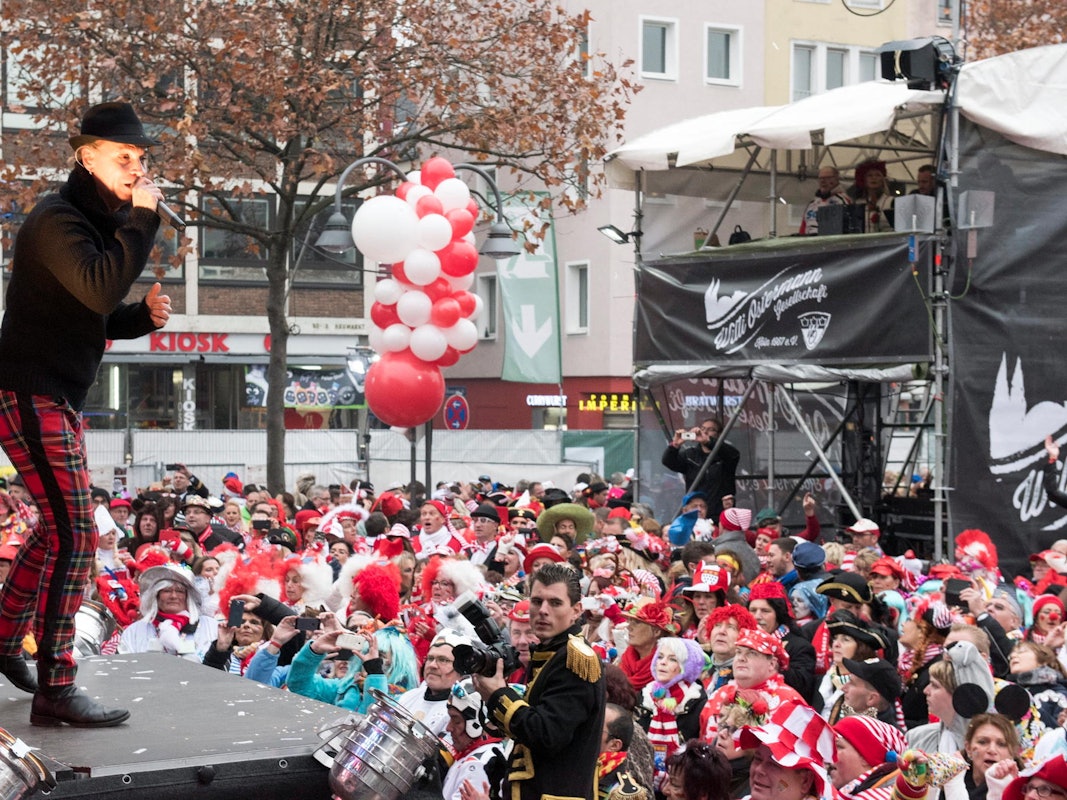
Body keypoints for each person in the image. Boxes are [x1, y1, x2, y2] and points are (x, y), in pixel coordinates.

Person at [0, 101, 172, 728]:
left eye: (140, 158)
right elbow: (100, 286)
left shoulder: (95, 217)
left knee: (56, 529)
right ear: (86, 157)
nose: (136, 167)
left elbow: (90, 313)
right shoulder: (57, 218)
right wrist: (144, 224)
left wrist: (137, 318)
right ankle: (56, 687)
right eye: (123, 156)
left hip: (53, 390)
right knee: (78, 534)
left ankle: (4, 641)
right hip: (29, 389)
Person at [474, 562, 606, 800]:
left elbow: (547, 734)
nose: (543, 610)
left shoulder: (574, 659)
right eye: (537, 601)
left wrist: (498, 695)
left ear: (576, 610)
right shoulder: (551, 652)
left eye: (555, 603)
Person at [661, 419, 740, 520]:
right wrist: (675, 445)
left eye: (711, 429)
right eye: (702, 429)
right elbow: (668, 462)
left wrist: (708, 441)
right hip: (696, 512)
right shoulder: (690, 455)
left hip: (720, 514)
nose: (705, 432)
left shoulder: (725, 456)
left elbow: (734, 455)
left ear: (719, 434)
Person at [799, 166, 853, 235]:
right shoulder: (812, 204)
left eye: (827, 178)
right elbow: (803, 229)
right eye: (820, 178)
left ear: (836, 179)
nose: (823, 181)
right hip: (810, 243)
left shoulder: (843, 201)